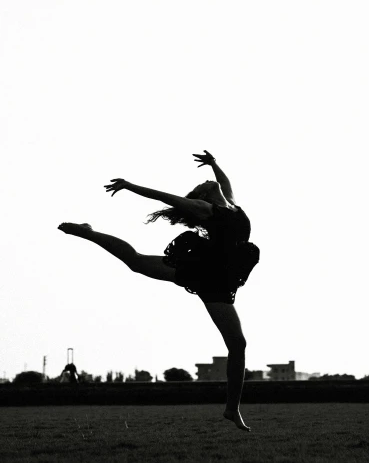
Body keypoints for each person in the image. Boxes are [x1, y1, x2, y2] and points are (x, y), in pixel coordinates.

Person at [58, 150, 260, 431]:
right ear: (201, 196)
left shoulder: (231, 204)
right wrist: (129, 186)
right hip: (205, 273)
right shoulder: (205, 208)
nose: (206, 182)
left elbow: (225, 183)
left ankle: (232, 409)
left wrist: (214, 164)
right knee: (137, 262)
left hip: (219, 276)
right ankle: (88, 232)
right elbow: (162, 196)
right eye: (203, 185)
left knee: (238, 344)